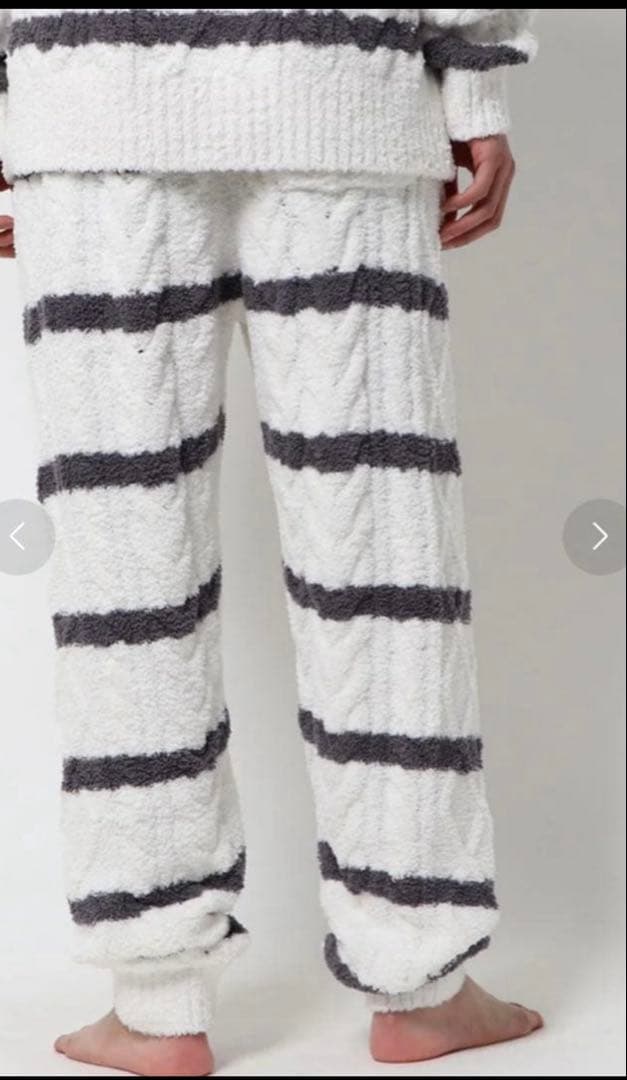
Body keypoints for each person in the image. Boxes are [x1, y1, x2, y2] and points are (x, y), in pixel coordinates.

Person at [0, 9, 542, 1076]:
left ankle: (157, 1001)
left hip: (87, 95)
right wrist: (475, 89)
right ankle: (421, 986)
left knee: (126, 578)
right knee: (384, 567)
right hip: (339, 88)